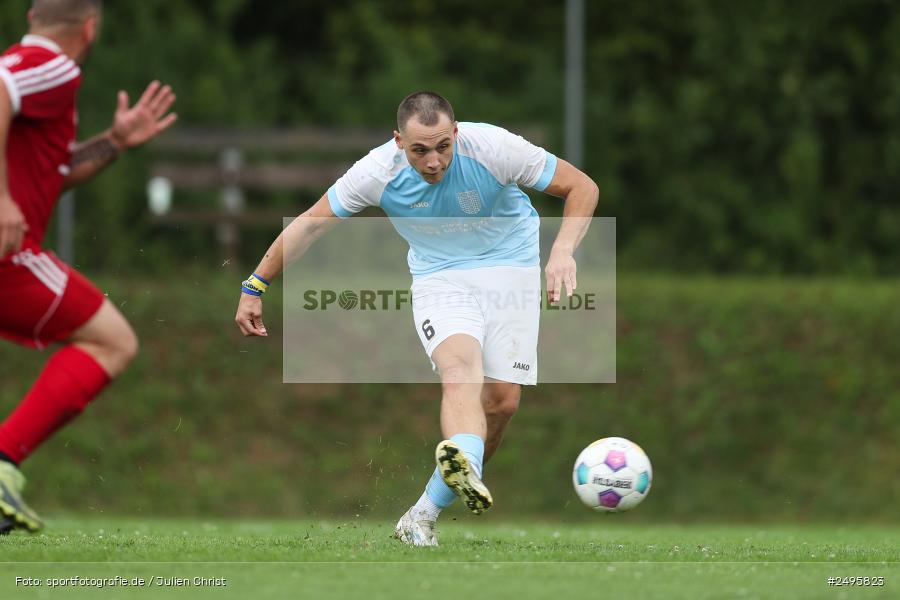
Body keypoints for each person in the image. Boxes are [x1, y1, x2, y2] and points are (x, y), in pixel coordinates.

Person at [235, 91, 598, 546]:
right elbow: (310, 224)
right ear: (398, 141)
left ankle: (422, 512)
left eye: (442, 146)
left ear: (456, 134)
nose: (433, 161)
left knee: (502, 403)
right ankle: (464, 457)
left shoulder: (494, 148)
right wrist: (255, 284)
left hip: (512, 267)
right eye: (419, 150)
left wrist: (562, 251)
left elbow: (581, 186)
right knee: (460, 370)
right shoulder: (375, 171)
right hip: (440, 277)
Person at [0, 0, 177, 533]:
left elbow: (52, 171)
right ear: (91, 28)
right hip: (9, 254)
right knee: (112, 340)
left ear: (33, 13)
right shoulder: (53, 65)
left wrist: (114, 142)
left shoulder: (35, 70)